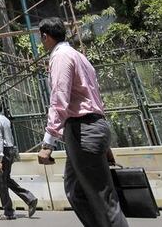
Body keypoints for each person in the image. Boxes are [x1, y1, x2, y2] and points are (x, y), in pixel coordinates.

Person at [36, 17, 128, 227]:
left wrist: (47, 143)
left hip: (83, 130)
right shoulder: (80, 57)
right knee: (75, 190)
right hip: (91, 129)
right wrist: (105, 145)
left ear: (45, 36)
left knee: (103, 200)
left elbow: (59, 99)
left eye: (41, 38)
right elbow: (94, 99)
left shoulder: (60, 57)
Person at [0, 101, 38, 220]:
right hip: (10, 151)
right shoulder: (5, 119)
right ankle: (29, 198)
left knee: (1, 183)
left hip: (3, 152)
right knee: (6, 179)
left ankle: (9, 212)